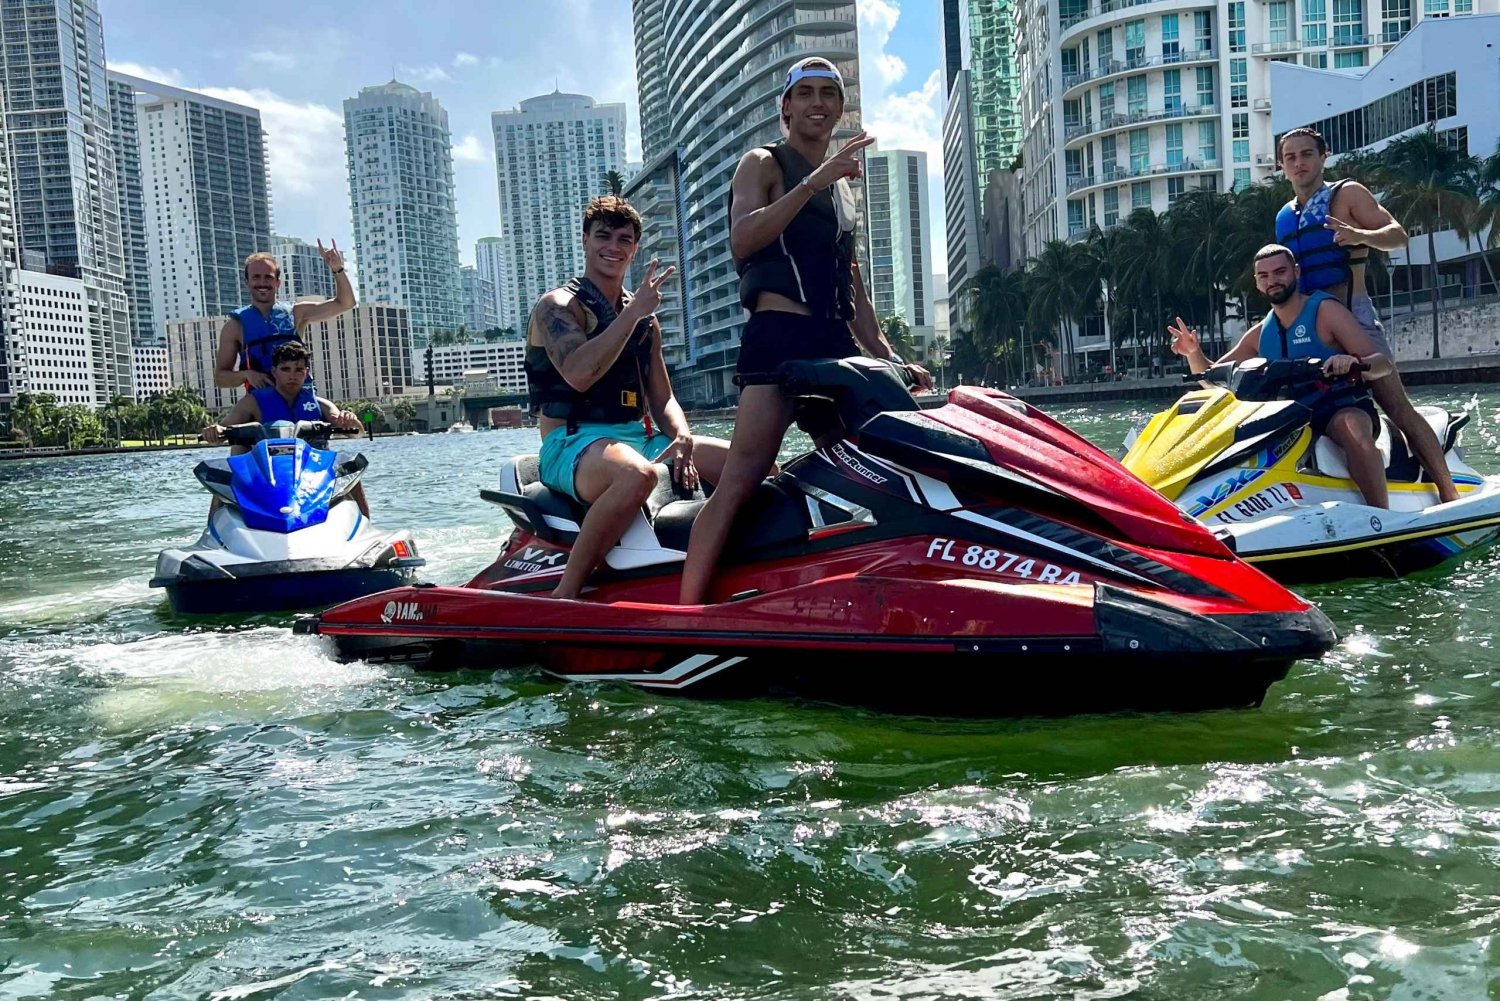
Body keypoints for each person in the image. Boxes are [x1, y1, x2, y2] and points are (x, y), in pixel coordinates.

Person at [676, 57, 932, 606]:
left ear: (840, 108)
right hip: (780, 339)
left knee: (880, 469)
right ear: (786, 106)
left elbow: (853, 283)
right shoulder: (763, 163)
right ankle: (688, 609)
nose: (818, 103)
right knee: (742, 479)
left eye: (829, 94)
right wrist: (813, 182)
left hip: (835, 349)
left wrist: (888, 358)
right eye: (806, 93)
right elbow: (743, 240)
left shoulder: (845, 188)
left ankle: (884, 587)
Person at [526, 195, 731, 600]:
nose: (613, 247)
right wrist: (633, 311)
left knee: (751, 465)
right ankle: (566, 593)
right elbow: (580, 374)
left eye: (624, 239)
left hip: (637, 438)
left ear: (634, 248)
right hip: (571, 444)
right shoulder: (558, 306)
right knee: (636, 475)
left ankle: (744, 566)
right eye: (603, 236)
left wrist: (682, 437)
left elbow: (663, 397)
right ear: (585, 240)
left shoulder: (644, 319)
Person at [1241, 127, 1458, 503]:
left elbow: (1398, 235)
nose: (1299, 162)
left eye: (1306, 154)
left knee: (1395, 404)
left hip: (1351, 312)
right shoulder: (1284, 217)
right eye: (1290, 157)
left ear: (1323, 156)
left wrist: (1361, 234)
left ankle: (1449, 494)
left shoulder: (1347, 194)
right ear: (1281, 165)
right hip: (1312, 322)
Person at [1170, 244, 1394, 507]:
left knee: (1351, 429)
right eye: (1264, 276)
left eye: (1279, 272)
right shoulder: (1260, 333)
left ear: (1296, 272)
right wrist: (1193, 352)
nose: (1272, 281)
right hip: (1290, 417)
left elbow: (1383, 363)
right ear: (1257, 283)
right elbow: (1213, 379)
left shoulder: (1325, 311)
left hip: (1341, 407)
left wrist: (1353, 361)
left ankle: (1382, 513)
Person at [203, 341, 369, 516]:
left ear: (306, 374)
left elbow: (356, 433)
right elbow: (224, 428)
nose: (292, 376)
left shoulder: (321, 405)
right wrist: (214, 432)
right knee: (231, 465)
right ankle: (214, 529)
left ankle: (365, 526)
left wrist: (351, 422)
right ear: (274, 371)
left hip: (312, 475)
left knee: (350, 471)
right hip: (266, 476)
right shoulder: (253, 402)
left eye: (299, 370)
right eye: (285, 369)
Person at [213, 241, 355, 390]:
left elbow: (345, 303)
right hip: (260, 405)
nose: (262, 282)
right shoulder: (235, 326)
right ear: (247, 282)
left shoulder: (297, 313)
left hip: (300, 401)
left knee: (335, 413)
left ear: (277, 282)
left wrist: (337, 269)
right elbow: (221, 378)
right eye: (256, 277)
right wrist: (247, 375)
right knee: (237, 414)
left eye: (268, 277)